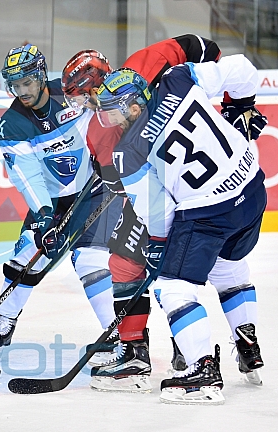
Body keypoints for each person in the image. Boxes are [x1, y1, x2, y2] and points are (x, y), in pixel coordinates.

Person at [94, 55, 267, 404]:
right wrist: (240, 107)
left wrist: (160, 248)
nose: (109, 120)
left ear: (131, 106)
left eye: (114, 111)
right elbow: (244, 70)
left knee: (173, 288)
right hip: (251, 188)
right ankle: (248, 343)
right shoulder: (178, 78)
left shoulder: (128, 153)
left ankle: (202, 372)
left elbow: (158, 213)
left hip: (209, 211)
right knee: (228, 267)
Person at [61, 35, 224, 392]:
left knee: (173, 276)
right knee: (133, 265)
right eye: (80, 98)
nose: (88, 105)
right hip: (168, 195)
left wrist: (224, 102)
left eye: (86, 94)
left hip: (192, 189)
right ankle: (142, 349)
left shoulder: (144, 64)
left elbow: (204, 47)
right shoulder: (96, 129)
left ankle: (174, 351)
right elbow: (122, 186)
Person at [0, 44, 124, 360]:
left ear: (41, 75)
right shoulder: (12, 124)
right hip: (51, 201)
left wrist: (108, 153)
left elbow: (111, 115)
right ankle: (6, 319)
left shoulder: (72, 91)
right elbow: (28, 176)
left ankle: (116, 337)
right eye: (15, 85)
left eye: (27, 82)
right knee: (25, 255)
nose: (22, 91)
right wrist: (45, 215)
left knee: (89, 261)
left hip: (95, 188)